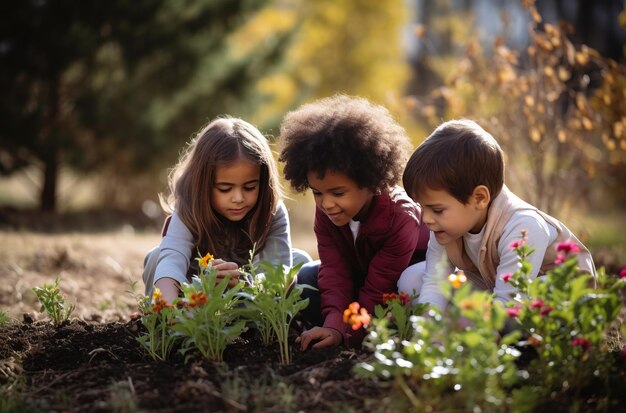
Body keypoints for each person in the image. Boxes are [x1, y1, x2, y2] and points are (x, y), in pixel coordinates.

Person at [278, 95, 430, 350]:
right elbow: (335, 269)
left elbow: (380, 286)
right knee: (306, 278)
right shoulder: (328, 213)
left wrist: (344, 336)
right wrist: (334, 323)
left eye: (338, 193)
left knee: (403, 297)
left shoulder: (400, 217)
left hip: (399, 286)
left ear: (370, 182)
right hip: (362, 283)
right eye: (317, 192)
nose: (326, 204)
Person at [399, 119, 596, 311]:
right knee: (411, 280)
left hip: (546, 291)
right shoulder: (445, 227)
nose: (426, 219)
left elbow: (512, 299)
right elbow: (435, 281)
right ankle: (468, 321)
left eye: (437, 210)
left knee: (536, 301)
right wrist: (427, 328)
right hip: (496, 285)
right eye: (423, 208)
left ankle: (476, 325)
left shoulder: (523, 226)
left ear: (479, 198)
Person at [143, 116, 311, 303]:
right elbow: (171, 260)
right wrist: (168, 308)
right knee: (156, 257)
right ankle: (161, 319)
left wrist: (244, 283)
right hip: (196, 295)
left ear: (263, 182)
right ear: (203, 184)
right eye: (225, 188)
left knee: (299, 261)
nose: (238, 198)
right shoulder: (189, 209)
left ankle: (270, 324)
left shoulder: (271, 211)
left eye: (249, 187)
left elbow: (277, 274)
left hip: (253, 295)